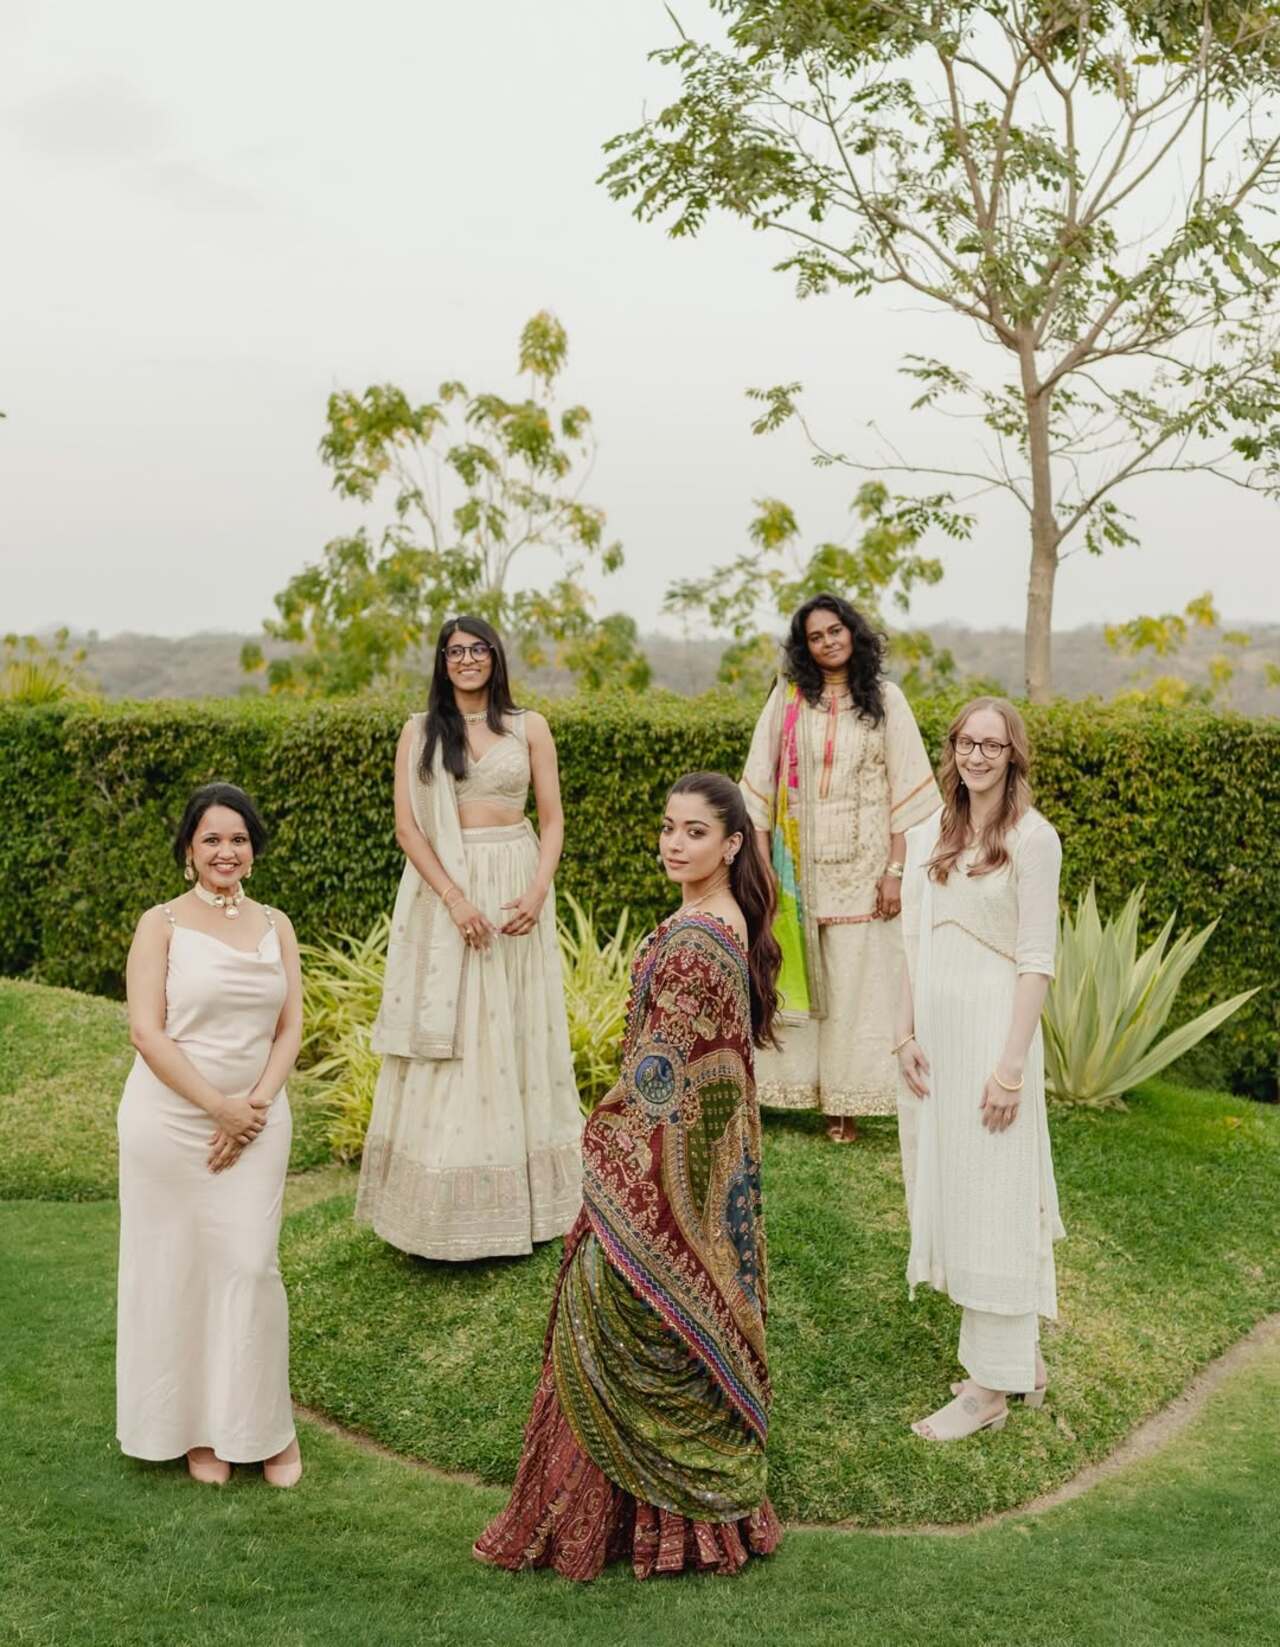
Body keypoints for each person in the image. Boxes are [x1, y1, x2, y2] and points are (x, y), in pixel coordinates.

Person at [474, 772, 783, 1581]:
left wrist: (604, 1133)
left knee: (616, 1316)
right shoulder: (721, 918)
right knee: (650, 1324)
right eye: (669, 828)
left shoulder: (697, 939)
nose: (674, 844)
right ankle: (660, 1522)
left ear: (733, 843)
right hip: (697, 1162)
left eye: (694, 832)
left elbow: (662, 1071)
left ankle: (636, 1523)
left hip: (660, 1163)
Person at [356, 615, 582, 1260]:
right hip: (448, 887)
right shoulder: (420, 733)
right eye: (454, 651)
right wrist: (455, 900)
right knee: (459, 1034)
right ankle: (443, 1210)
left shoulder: (528, 726)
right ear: (442, 662)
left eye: (477, 649)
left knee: (516, 1026)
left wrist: (537, 893)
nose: (466, 660)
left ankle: (536, 1205)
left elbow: (554, 817)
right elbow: (408, 829)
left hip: (516, 878)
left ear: (495, 656)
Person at [117, 783, 303, 1487]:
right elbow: (146, 1030)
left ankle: (263, 1429)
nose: (226, 851)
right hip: (168, 1121)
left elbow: (290, 1026)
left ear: (252, 849)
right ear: (189, 851)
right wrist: (215, 1108)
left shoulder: (276, 923)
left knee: (251, 1266)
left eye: (238, 838)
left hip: (258, 1118)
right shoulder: (159, 922)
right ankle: (198, 1434)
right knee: (178, 1270)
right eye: (211, 839)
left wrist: (250, 1107)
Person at [895, 698, 1064, 1441]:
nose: (979, 754)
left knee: (996, 1193)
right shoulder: (929, 831)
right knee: (961, 1188)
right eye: (968, 741)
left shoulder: (1034, 839)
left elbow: (1036, 960)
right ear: (953, 748)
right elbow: (910, 940)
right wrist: (902, 1030)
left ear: (1013, 755)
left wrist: (1011, 1067)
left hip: (994, 1036)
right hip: (937, 1040)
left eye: (993, 744)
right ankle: (1017, 1362)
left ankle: (989, 1390)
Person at [741, 592, 940, 1141]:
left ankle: (844, 1104)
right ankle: (790, 1093)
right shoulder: (787, 699)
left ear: (853, 633)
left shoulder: (885, 699)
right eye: (815, 636)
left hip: (864, 868)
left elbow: (908, 792)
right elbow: (758, 784)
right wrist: (764, 869)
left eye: (835, 630)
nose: (828, 642)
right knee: (796, 977)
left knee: (857, 987)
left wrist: (895, 872)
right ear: (804, 647)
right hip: (794, 869)